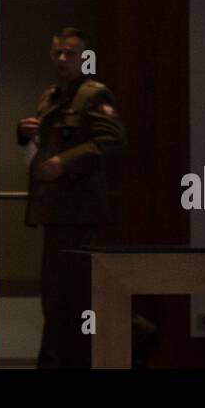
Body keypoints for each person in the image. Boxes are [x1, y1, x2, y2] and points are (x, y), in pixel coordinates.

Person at [18, 26, 125, 367]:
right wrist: (24, 133)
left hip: (79, 212)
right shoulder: (53, 95)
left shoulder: (94, 95)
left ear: (85, 58)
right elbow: (46, 141)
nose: (62, 59)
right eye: (57, 53)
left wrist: (64, 163)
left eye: (70, 53)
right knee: (55, 297)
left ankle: (72, 360)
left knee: (75, 297)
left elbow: (112, 140)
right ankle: (53, 360)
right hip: (55, 211)